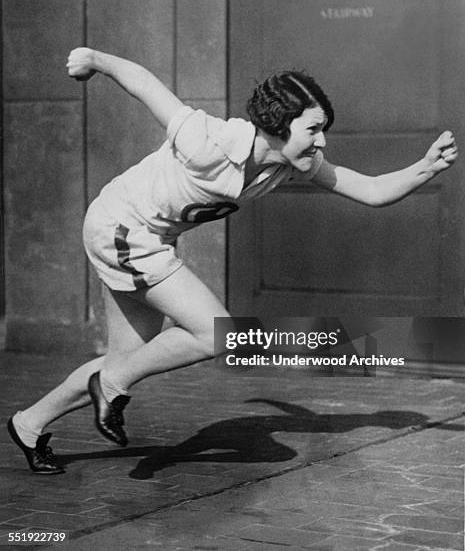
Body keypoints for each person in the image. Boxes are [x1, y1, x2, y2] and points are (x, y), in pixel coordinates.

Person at [7, 47, 458, 474]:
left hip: (150, 239)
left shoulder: (288, 163)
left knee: (124, 361)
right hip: (120, 229)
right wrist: (94, 59)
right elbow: (145, 84)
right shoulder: (211, 141)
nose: (321, 141)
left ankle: (28, 425)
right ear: (280, 124)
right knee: (218, 334)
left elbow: (372, 191)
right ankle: (110, 386)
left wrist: (426, 168)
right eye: (313, 129)